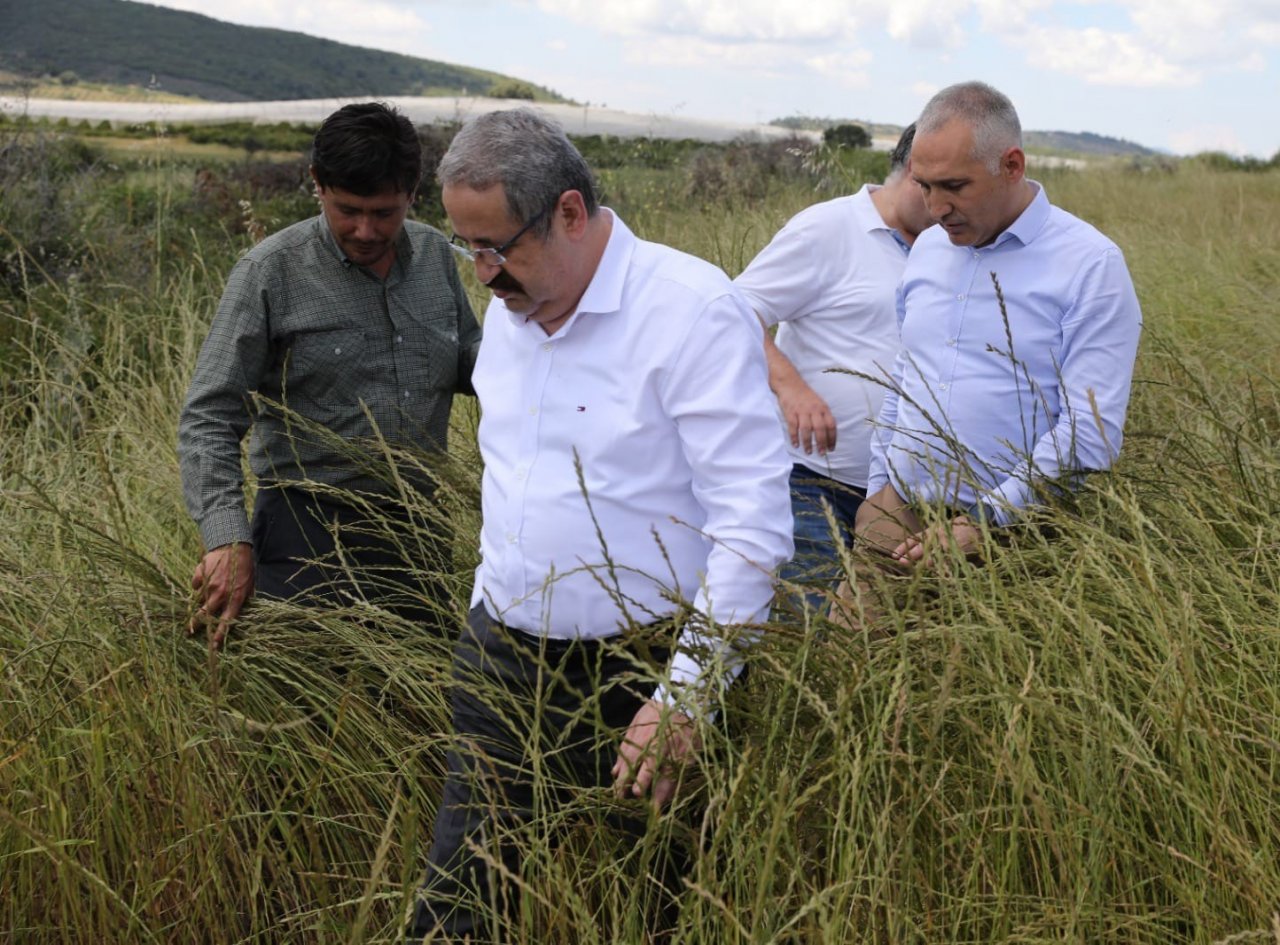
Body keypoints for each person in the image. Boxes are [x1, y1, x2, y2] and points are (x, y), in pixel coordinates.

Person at [406, 108, 793, 942]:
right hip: (502, 660)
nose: (482, 274)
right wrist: (489, 600)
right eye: (466, 248)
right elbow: (513, 477)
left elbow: (753, 525)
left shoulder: (691, 311)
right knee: (458, 905)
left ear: (571, 214)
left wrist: (685, 698)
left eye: (497, 246)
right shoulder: (510, 315)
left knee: (644, 906)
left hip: (644, 670)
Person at [178, 102, 481, 643]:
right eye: (347, 210)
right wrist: (227, 541)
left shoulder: (438, 258)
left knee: (421, 707)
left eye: (385, 213)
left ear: (414, 193)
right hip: (303, 535)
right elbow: (210, 416)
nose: (365, 230)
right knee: (308, 714)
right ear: (316, 183)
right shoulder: (270, 271)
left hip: (420, 534)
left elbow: (479, 368)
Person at [843, 81, 1141, 608]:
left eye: (955, 186)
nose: (936, 207)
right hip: (893, 519)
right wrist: (877, 493)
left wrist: (988, 520)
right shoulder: (929, 249)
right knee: (845, 675)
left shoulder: (1091, 266)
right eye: (924, 185)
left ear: (1012, 165)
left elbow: (1089, 431)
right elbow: (907, 373)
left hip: (1011, 539)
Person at [734, 124, 932, 600]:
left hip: (903, 498)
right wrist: (790, 387)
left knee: (876, 641)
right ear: (909, 173)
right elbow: (730, 310)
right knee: (804, 627)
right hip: (810, 483)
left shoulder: (954, 246)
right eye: (936, 189)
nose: (948, 207)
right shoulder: (828, 228)